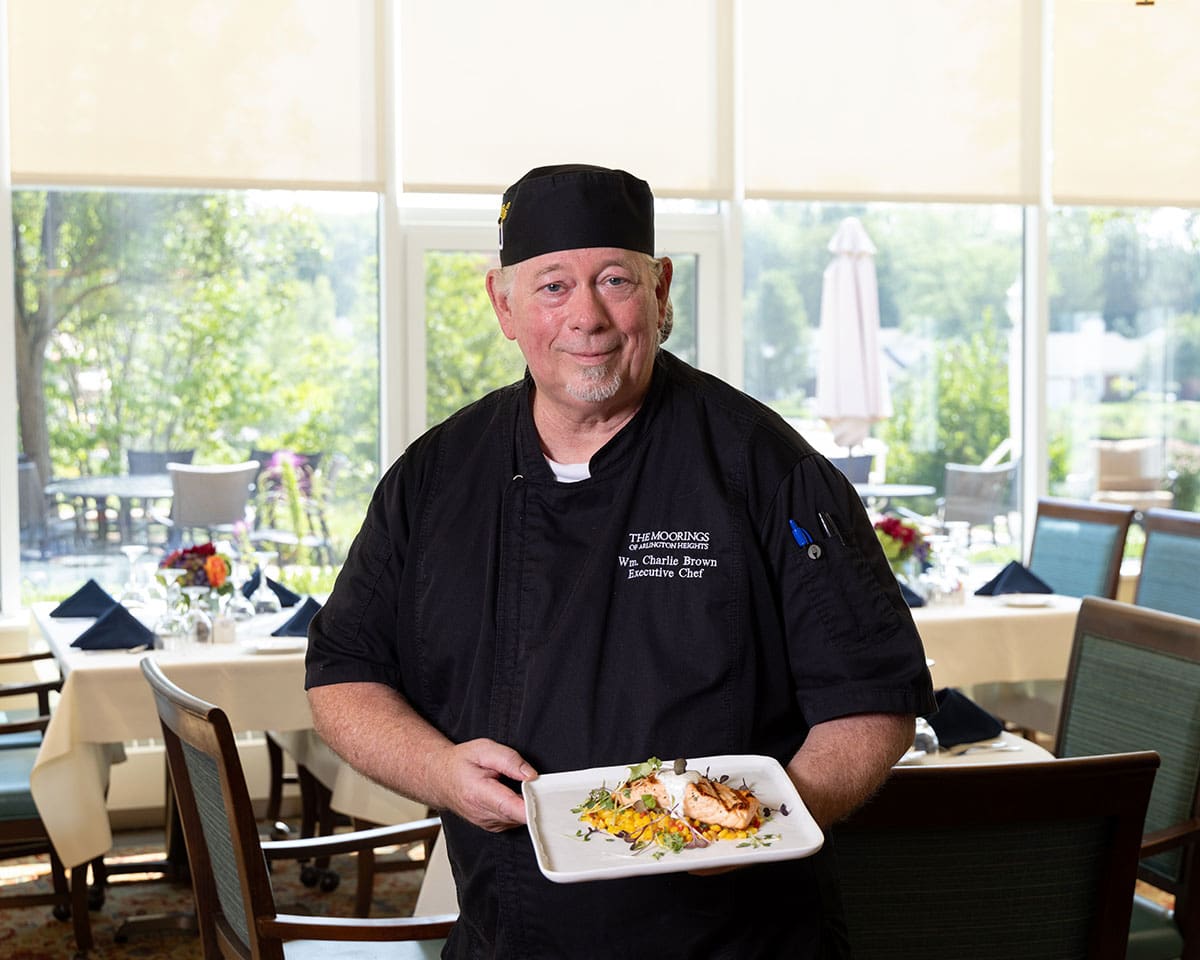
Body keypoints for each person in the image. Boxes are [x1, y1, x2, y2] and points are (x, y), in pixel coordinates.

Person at [306, 163, 936, 958]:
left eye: (614, 280)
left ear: (662, 288)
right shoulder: (435, 479)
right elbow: (342, 677)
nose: (589, 317)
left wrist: (755, 824)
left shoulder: (766, 466)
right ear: (503, 304)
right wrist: (438, 771)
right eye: (552, 287)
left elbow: (871, 702)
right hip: (512, 935)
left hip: (737, 940)